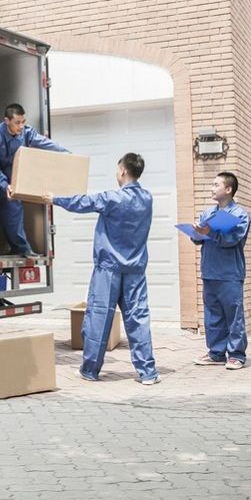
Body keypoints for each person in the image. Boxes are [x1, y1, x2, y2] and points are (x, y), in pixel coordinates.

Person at [43, 153, 160, 385]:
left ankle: (90, 370)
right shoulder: (147, 199)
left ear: (123, 171)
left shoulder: (113, 198)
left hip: (109, 269)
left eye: (118, 169)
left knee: (99, 318)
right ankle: (148, 372)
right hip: (135, 269)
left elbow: (82, 203)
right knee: (138, 318)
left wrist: (54, 199)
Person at [0, 103, 68, 258]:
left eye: (23, 122)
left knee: (14, 211)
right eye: (17, 123)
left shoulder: (26, 133)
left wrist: (65, 152)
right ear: (7, 121)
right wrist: (4, 184)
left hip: (9, 176)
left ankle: (21, 249)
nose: (21, 126)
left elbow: (44, 142)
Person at [190, 172, 251, 370]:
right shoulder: (207, 214)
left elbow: (232, 240)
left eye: (216, 184)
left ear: (228, 189)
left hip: (230, 274)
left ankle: (236, 355)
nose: (212, 188)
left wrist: (211, 233)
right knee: (212, 315)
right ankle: (216, 353)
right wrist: (197, 232)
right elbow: (198, 240)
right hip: (209, 272)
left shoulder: (240, 215)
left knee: (233, 316)